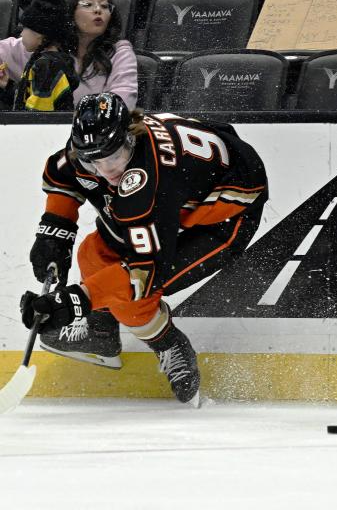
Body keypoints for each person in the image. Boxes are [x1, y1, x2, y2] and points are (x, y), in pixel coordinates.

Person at [19, 92, 268, 405]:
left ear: (130, 139)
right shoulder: (93, 149)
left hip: (228, 209)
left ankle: (169, 343)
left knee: (134, 298)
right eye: (93, 160)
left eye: (113, 157)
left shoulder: (147, 179)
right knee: (92, 254)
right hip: (188, 177)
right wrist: (54, 232)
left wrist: (74, 301)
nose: (106, 169)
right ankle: (101, 333)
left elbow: (143, 274)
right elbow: (63, 177)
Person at [0, 0, 137, 109]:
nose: (98, 10)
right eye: (88, 4)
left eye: (105, 6)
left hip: (93, 132)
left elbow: (123, 104)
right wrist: (9, 85)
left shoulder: (119, 51)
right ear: (70, 13)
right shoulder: (45, 47)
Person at [0, 0, 79, 111]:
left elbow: (36, 116)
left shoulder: (47, 66)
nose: (21, 33)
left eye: (25, 28)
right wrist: (7, 85)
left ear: (40, 34)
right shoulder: (47, 62)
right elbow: (30, 100)